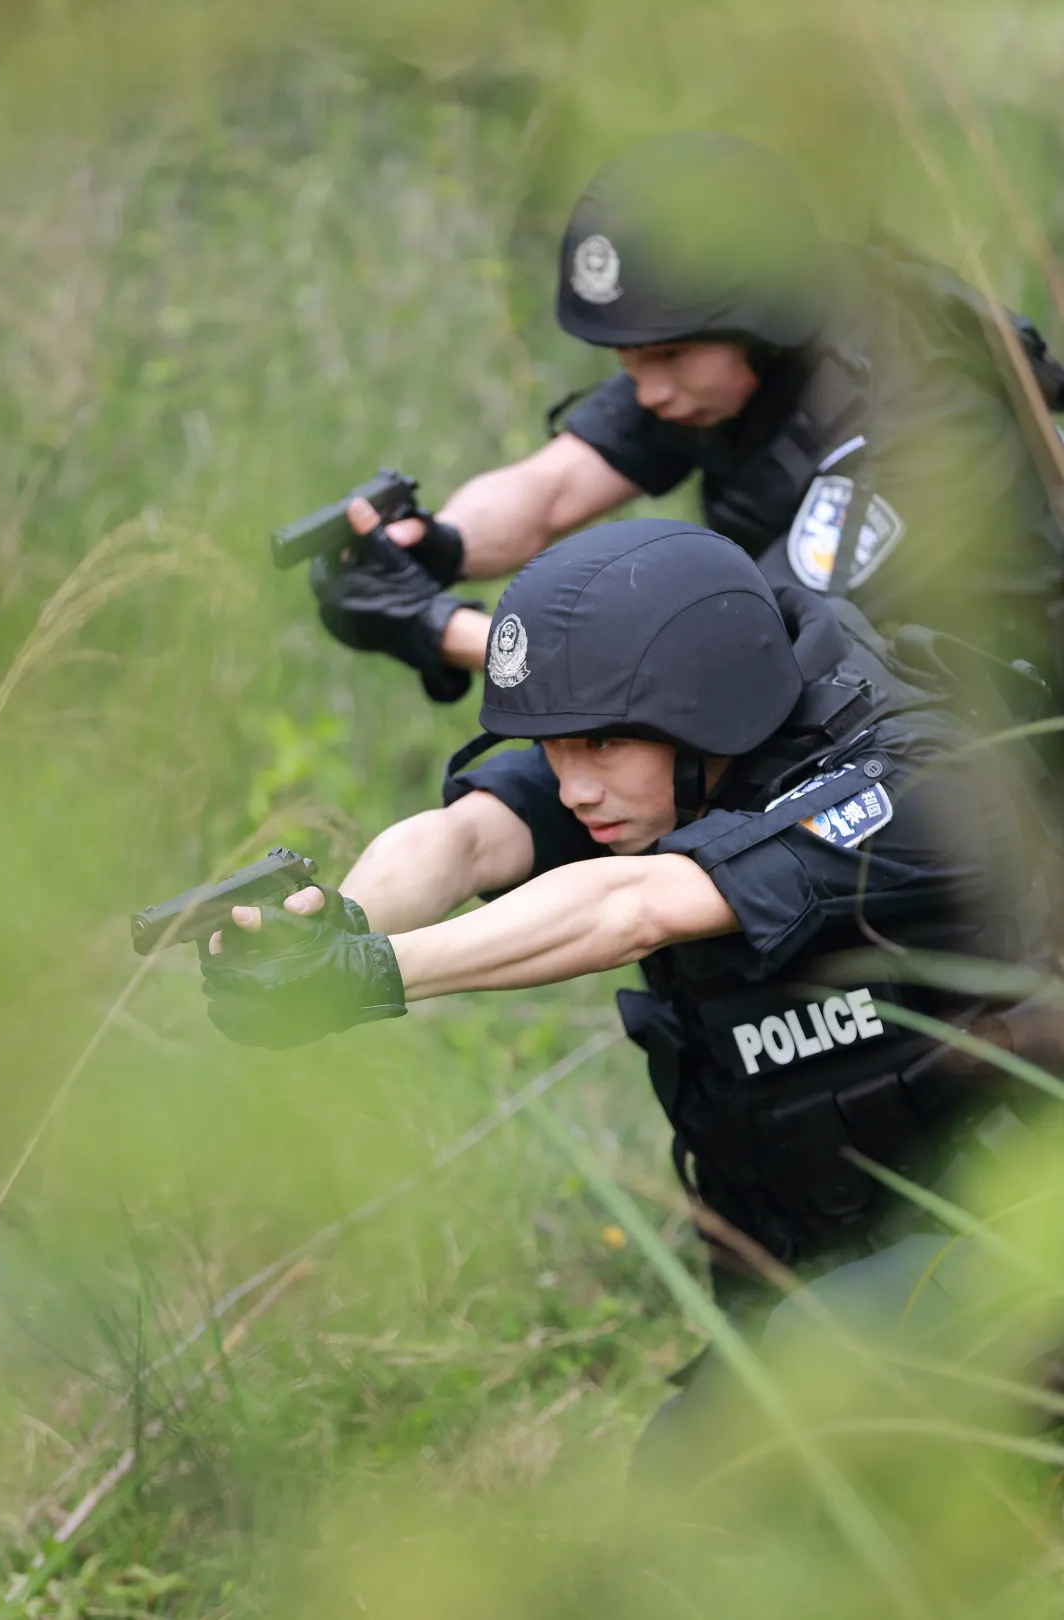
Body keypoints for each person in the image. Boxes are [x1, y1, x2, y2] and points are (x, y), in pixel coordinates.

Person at [205, 518, 1058, 1418]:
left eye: (602, 746)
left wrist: (366, 975)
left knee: (788, 1415)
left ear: (705, 709)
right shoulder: (665, 763)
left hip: (1032, 1222)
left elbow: (635, 908)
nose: (575, 786)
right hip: (880, 1249)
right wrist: (331, 926)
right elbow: (463, 840)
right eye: (557, 749)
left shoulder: (915, 783)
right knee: (693, 1492)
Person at [313, 130, 1064, 706]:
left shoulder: (924, 411)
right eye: (628, 360)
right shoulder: (726, 353)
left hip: (1005, 733)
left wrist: (444, 631)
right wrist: (432, 548)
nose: (645, 391)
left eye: (666, 356)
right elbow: (551, 490)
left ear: (762, 316)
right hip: (869, 704)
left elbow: (726, 655)